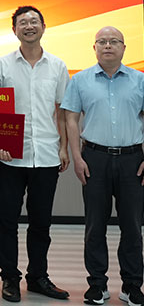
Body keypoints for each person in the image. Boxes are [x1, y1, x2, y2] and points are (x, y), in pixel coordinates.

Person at [0, 6, 70, 302]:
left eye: (34, 21)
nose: (29, 26)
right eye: (23, 22)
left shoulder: (57, 66)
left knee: (41, 222)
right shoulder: (2, 65)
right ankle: (9, 277)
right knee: (7, 221)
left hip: (46, 153)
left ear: (43, 27)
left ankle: (38, 277)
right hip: (10, 155)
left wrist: (63, 147)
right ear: (14, 30)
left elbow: (61, 110)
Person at [62, 26, 144, 306]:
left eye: (114, 41)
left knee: (132, 226)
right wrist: (77, 157)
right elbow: (71, 119)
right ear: (94, 47)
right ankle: (97, 285)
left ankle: (132, 286)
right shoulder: (80, 80)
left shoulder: (140, 80)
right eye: (102, 41)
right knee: (95, 225)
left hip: (133, 159)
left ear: (124, 48)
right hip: (94, 158)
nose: (108, 45)